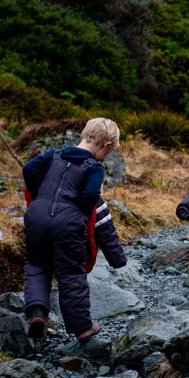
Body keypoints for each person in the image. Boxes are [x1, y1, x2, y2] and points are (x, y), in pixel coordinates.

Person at [21, 117, 126, 343]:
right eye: (109, 152)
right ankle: (82, 328)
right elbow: (90, 197)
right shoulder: (94, 168)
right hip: (68, 224)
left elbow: (28, 169)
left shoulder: (52, 155)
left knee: (37, 265)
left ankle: (37, 313)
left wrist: (39, 195)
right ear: (106, 146)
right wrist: (77, 210)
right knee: (71, 273)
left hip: (37, 217)